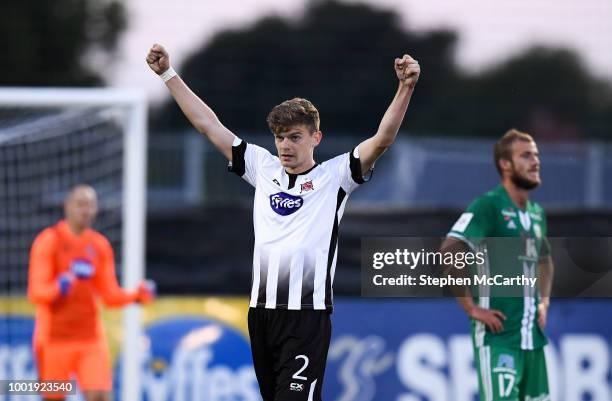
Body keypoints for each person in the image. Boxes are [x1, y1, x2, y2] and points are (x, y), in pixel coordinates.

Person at [146, 43, 420, 401]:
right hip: (261, 314)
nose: (285, 146)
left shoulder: (335, 176)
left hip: (306, 316)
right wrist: (168, 74)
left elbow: (382, 139)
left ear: (315, 138)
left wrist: (405, 87)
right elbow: (207, 124)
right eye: (279, 137)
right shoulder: (262, 168)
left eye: (294, 137)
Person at [441, 130, 554, 401]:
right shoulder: (489, 206)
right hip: (499, 338)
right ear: (505, 164)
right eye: (526, 155)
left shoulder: (536, 214)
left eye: (536, 155)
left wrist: (544, 301)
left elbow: (545, 259)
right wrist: (470, 306)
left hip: (533, 341)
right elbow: (450, 247)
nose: (535, 161)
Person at [28, 184, 155, 401]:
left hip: (89, 339)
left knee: (99, 395)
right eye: (81, 204)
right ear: (67, 207)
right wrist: (58, 287)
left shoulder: (99, 246)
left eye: (91, 205)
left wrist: (135, 295)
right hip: (53, 339)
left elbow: (109, 295)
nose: (86, 210)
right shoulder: (49, 241)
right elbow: (36, 292)